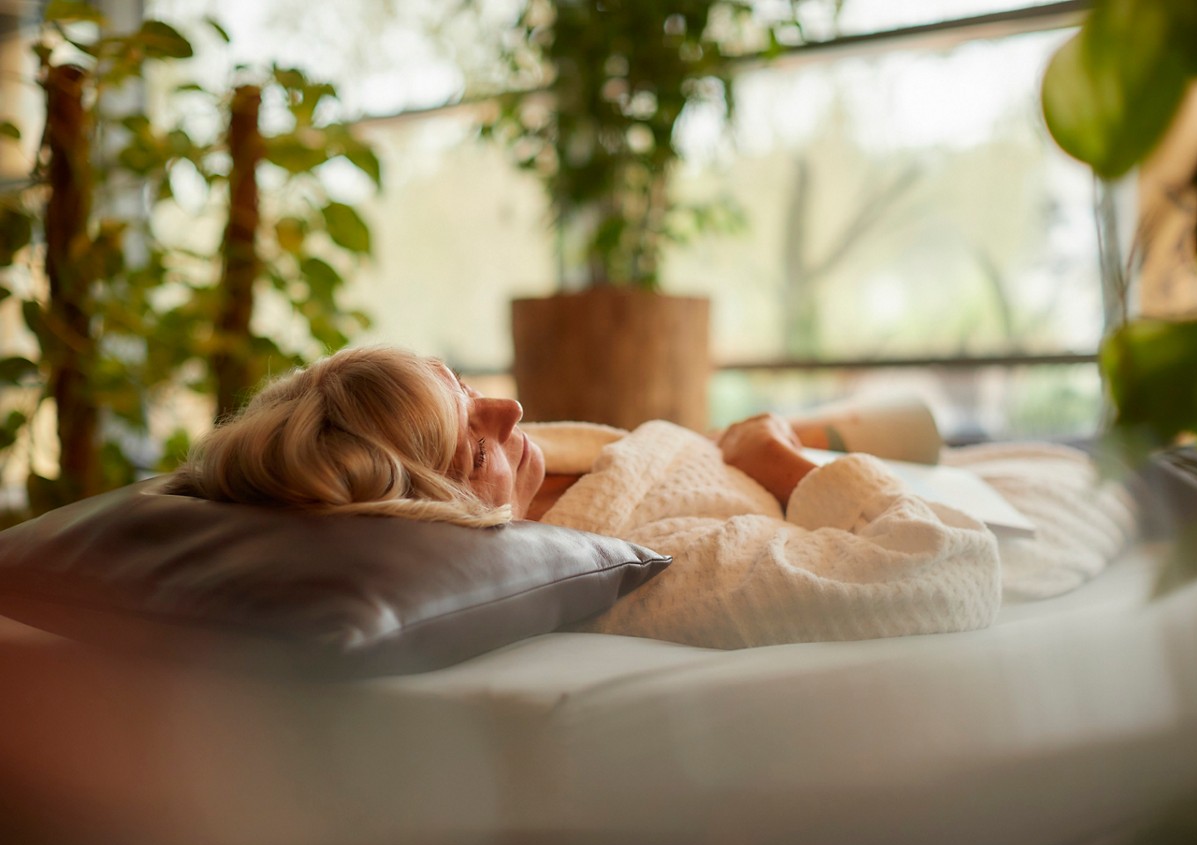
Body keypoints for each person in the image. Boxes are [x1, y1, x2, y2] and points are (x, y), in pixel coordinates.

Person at [172, 345, 1137, 649]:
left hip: (862, 444)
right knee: (1139, 449)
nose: (511, 406)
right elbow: (945, 572)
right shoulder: (634, 574)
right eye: (477, 442)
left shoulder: (520, 489)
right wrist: (779, 459)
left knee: (925, 414)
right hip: (930, 487)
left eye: (463, 383)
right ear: (442, 516)